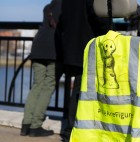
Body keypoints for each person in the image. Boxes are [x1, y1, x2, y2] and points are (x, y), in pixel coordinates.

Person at [54, 0, 110, 141]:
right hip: (86, 47)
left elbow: (62, 23)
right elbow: (98, 16)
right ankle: (73, 130)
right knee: (82, 91)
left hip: (72, 48)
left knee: (78, 90)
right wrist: (110, 29)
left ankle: (71, 129)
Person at [20, 0, 62, 137]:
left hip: (38, 45)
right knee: (48, 85)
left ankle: (26, 125)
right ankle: (35, 126)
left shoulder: (47, 7)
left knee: (37, 85)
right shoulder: (66, 6)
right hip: (52, 48)